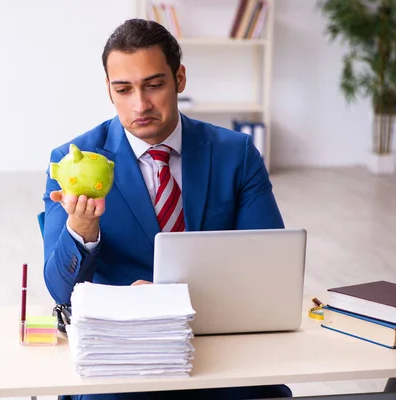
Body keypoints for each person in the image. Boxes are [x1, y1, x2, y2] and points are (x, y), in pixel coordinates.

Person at [42, 18, 291, 400]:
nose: (140, 104)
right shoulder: (70, 162)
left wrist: (171, 298)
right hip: (121, 357)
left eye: (154, 85)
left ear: (180, 78)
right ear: (108, 90)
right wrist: (82, 226)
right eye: (123, 89)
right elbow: (60, 290)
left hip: (216, 341)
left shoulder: (235, 154)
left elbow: (271, 271)